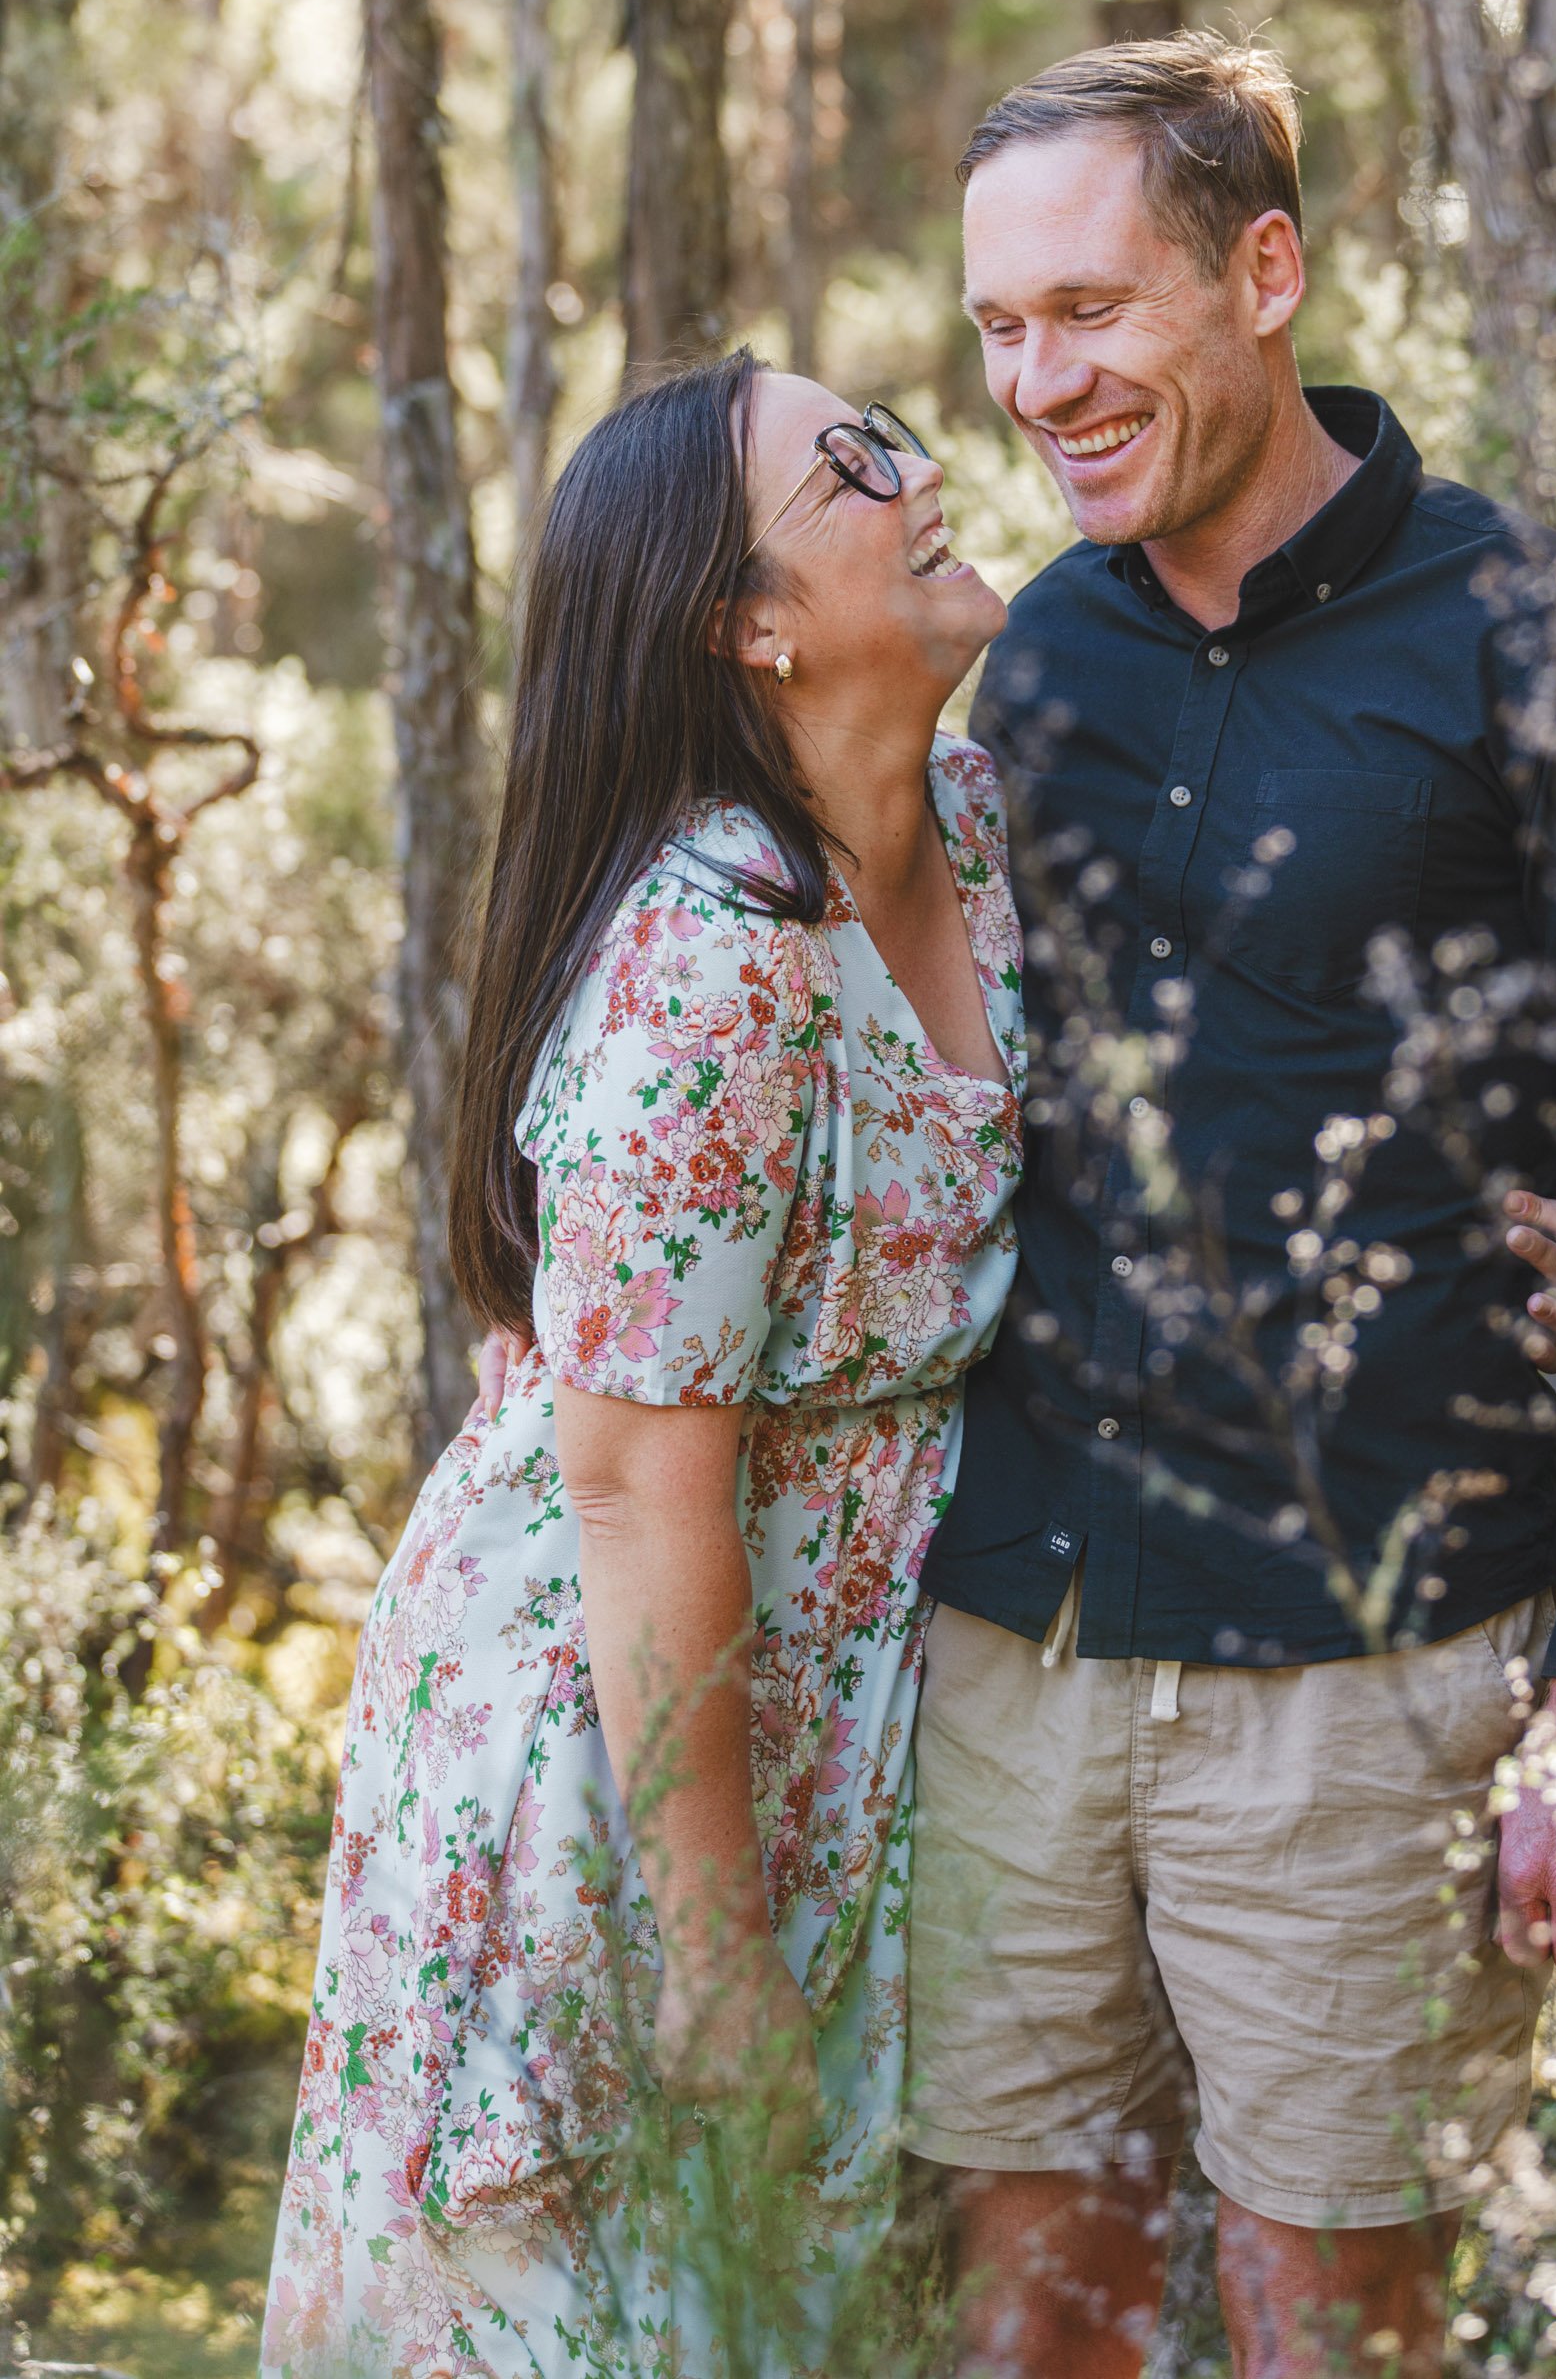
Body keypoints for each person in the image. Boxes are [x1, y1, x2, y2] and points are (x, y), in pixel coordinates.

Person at [903, 33, 1556, 2379]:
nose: (1039, 382)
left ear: (1264, 272)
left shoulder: (1554, 649)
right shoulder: (1021, 655)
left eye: (1092, 309)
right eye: (1000, 326)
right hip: (1014, 1634)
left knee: (1332, 2315)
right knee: (1033, 2309)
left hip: (1370, 1668)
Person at [261, 352, 1026, 2377]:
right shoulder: (714, 957)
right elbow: (630, 1487)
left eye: (891, 427)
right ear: (747, 623)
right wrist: (711, 1952)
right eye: (851, 465)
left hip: (826, 1703)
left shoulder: (971, 817)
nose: (920, 468)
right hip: (614, 1719)